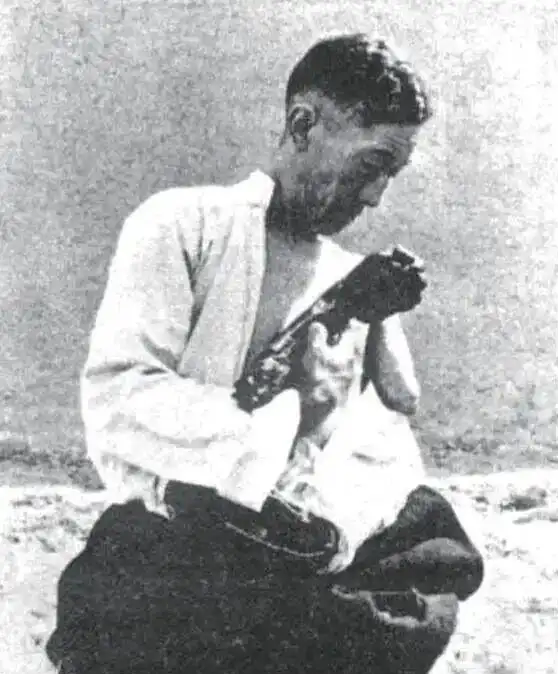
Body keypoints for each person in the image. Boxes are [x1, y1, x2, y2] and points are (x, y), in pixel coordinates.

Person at [47, 34, 484, 674]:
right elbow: (119, 396)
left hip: (313, 550)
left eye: (392, 175)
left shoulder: (350, 277)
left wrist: (332, 518)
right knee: (133, 595)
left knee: (415, 585)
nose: (374, 196)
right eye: (370, 165)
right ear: (302, 125)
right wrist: (276, 426)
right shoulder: (183, 224)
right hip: (195, 537)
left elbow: (387, 431)